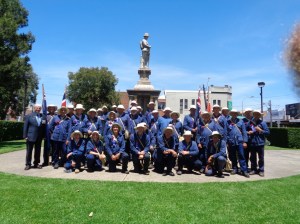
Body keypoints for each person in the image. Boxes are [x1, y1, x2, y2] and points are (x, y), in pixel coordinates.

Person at [23, 104, 47, 170]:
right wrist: (25, 135)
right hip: (30, 136)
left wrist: (44, 136)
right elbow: (25, 126)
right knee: (29, 151)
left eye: (39, 108)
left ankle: (36, 163)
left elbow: (44, 127)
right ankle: (28, 164)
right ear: (34, 108)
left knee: (38, 151)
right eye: (37, 108)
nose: (38, 109)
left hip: (39, 137)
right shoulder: (29, 116)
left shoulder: (43, 117)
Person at [227, 109, 249, 178]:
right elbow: (226, 132)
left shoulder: (241, 121)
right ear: (231, 114)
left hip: (240, 141)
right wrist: (227, 141)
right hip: (231, 141)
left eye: (235, 113)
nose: (234, 114)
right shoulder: (228, 122)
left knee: (241, 156)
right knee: (233, 156)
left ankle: (244, 170)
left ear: (237, 114)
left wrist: (245, 141)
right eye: (233, 113)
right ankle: (234, 168)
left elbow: (244, 132)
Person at [249, 110, 270, 177]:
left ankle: (261, 170)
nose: (256, 115)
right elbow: (246, 130)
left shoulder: (263, 123)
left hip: (260, 143)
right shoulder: (250, 123)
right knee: (252, 157)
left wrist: (260, 130)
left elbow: (267, 132)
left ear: (259, 115)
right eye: (255, 114)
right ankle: (253, 169)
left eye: (257, 114)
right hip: (252, 142)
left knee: (261, 158)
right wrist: (249, 132)